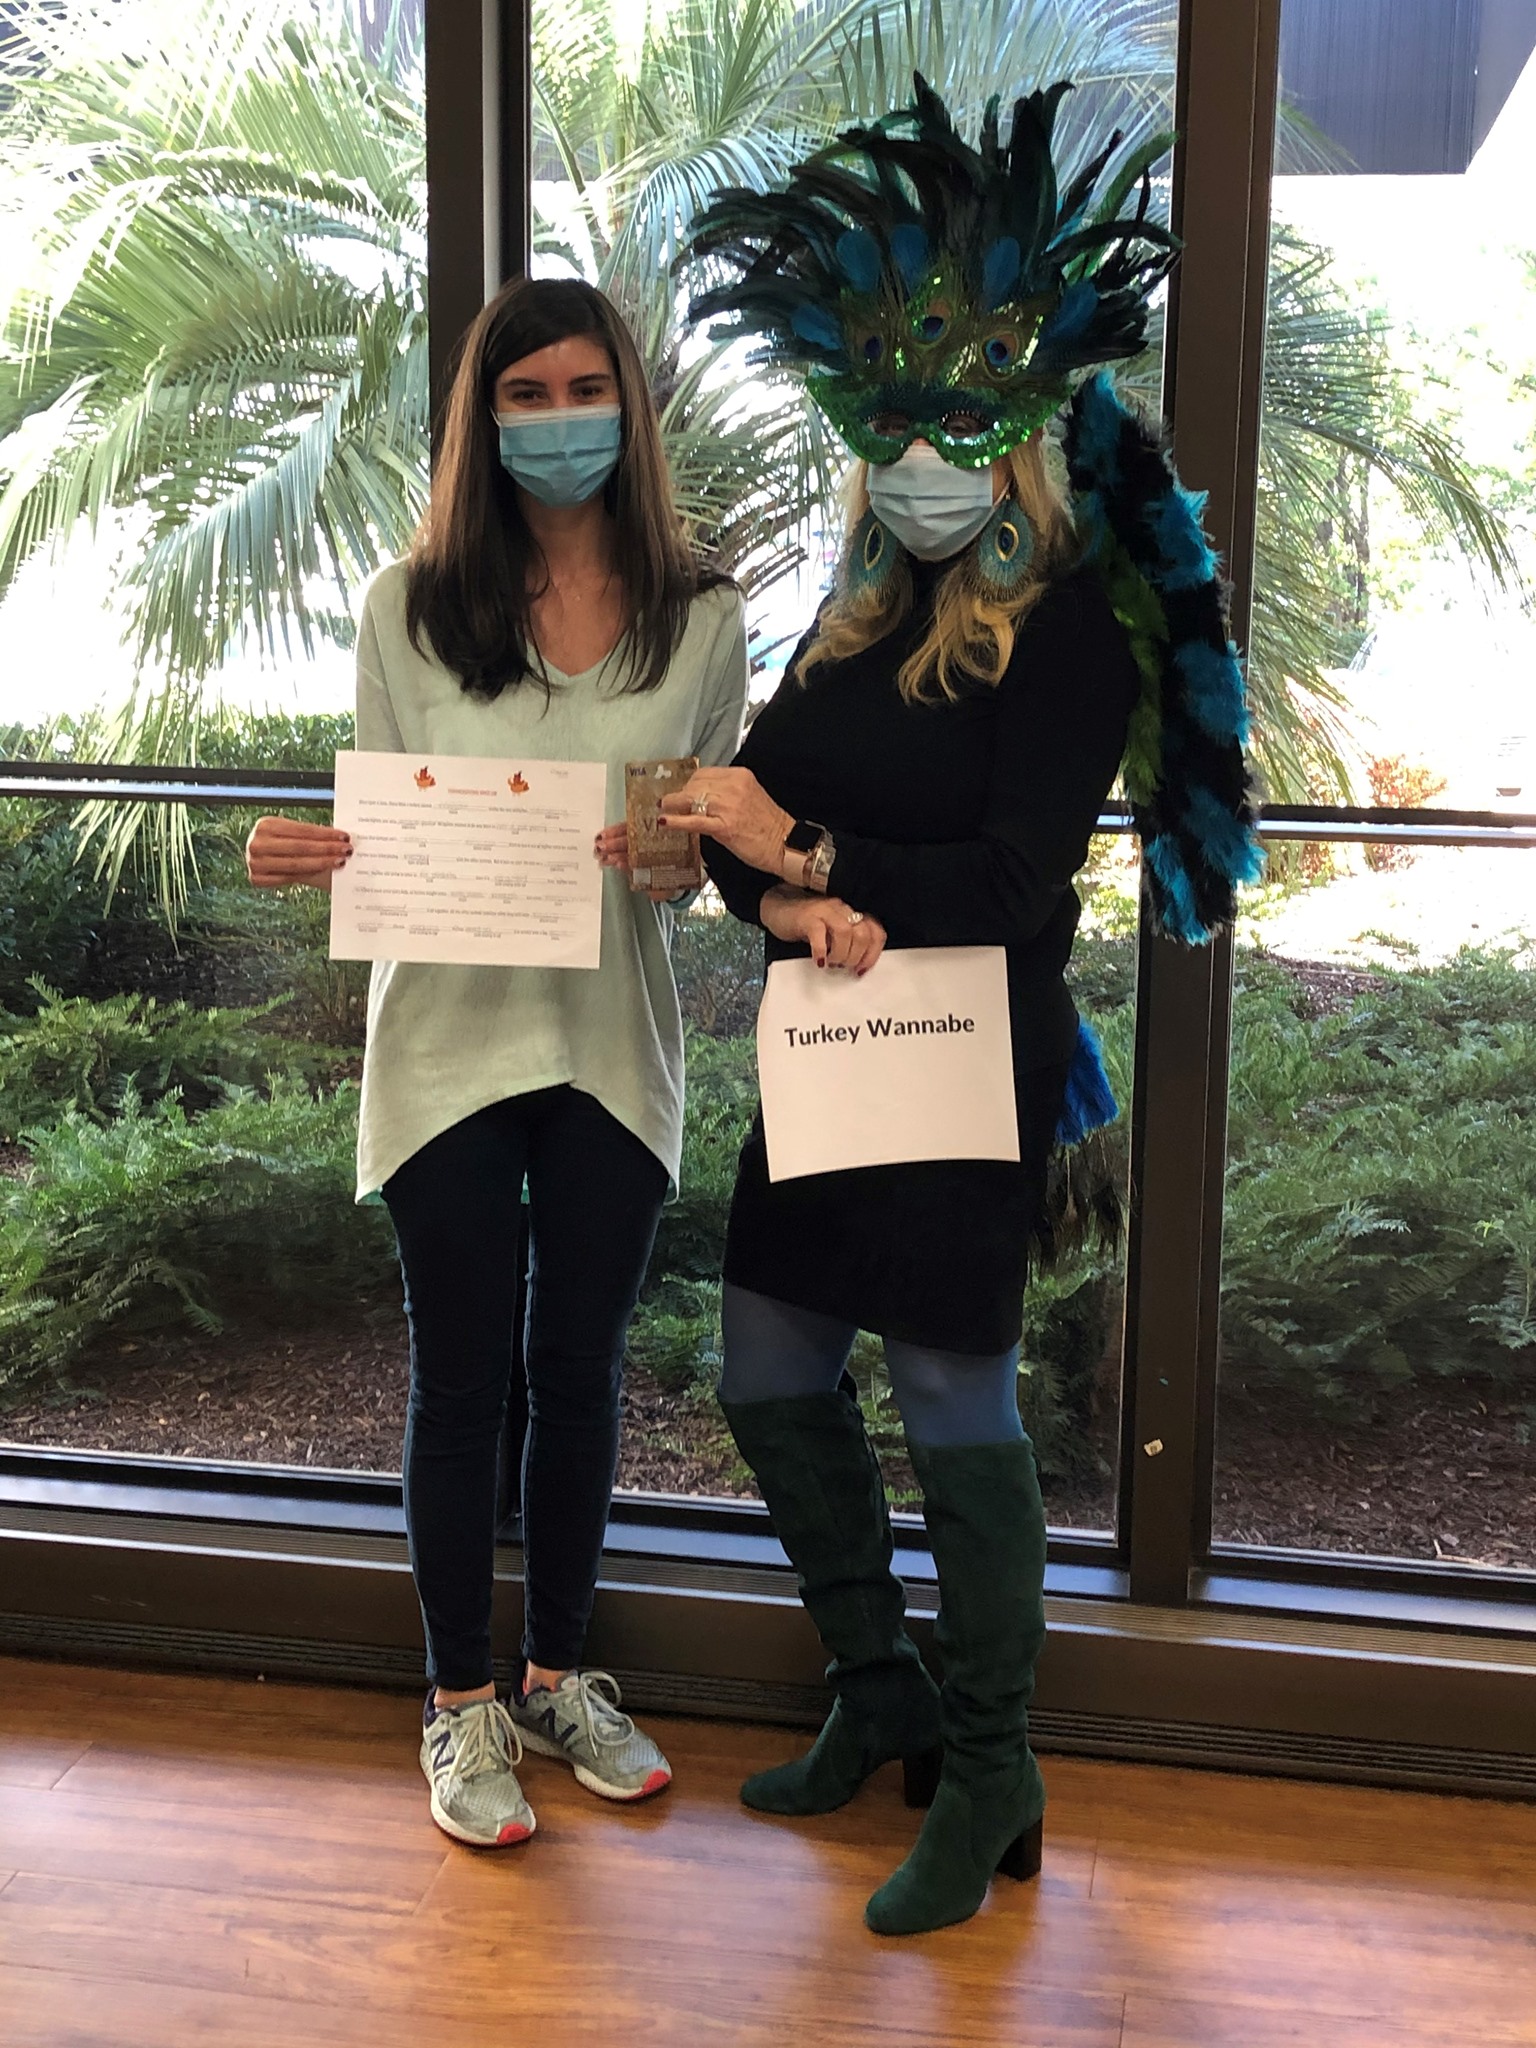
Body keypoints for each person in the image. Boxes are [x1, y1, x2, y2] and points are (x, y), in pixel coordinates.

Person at [666, 77, 1261, 1935]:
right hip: (822, 1064)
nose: (922, 462)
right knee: (765, 1369)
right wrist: (783, 886)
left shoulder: (1069, 635)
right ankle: (881, 1690)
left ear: (1022, 438)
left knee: (948, 1397)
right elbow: (735, 823)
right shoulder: (847, 618)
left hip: (962, 1072)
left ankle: (997, 1764)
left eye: (956, 429)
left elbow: (1013, 897)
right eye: (890, 430)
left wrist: (813, 858)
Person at [245, 276, 749, 1849]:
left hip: (612, 1047)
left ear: (630, 408)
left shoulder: (703, 618)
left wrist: (674, 860)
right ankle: (458, 1700)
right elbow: (387, 826)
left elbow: (695, 861)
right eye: (524, 396)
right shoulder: (405, 608)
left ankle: (555, 1678)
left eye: (586, 389)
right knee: (461, 1380)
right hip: (445, 1045)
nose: (559, 421)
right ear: (483, 420)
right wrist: (317, 854)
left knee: (582, 1376)